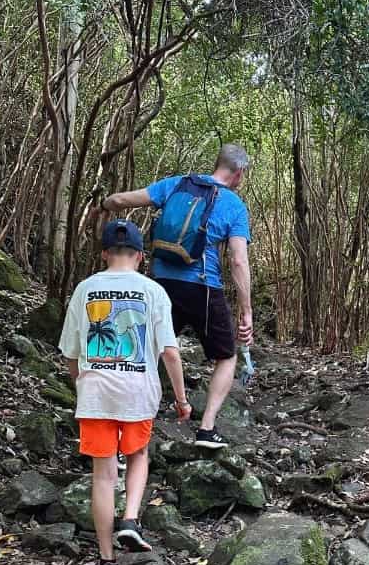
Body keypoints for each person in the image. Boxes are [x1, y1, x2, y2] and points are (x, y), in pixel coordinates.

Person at [93, 143, 253, 450]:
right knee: (226, 356)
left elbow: (123, 199)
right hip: (203, 287)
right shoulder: (233, 205)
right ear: (239, 173)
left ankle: (122, 422)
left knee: (147, 349)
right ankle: (206, 430)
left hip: (161, 283)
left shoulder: (176, 184)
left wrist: (103, 204)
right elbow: (238, 260)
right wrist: (246, 310)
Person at [59, 219, 192, 565]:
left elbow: (70, 353)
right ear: (140, 255)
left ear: (104, 253)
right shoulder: (152, 291)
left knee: (102, 477)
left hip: (96, 394)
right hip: (138, 393)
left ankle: (106, 564)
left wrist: (80, 386)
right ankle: (130, 518)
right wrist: (182, 399)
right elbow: (169, 352)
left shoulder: (85, 290)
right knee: (138, 455)